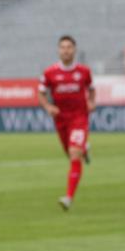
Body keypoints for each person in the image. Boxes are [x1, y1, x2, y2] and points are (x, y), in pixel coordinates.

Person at [37, 35, 95, 211]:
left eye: (69, 47)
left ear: (74, 50)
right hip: (61, 119)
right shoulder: (50, 73)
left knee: (74, 153)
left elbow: (91, 89)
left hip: (79, 118)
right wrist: (48, 107)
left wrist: (91, 102)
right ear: (58, 50)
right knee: (70, 153)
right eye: (62, 47)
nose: (66, 50)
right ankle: (85, 147)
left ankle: (68, 197)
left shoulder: (84, 72)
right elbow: (40, 92)